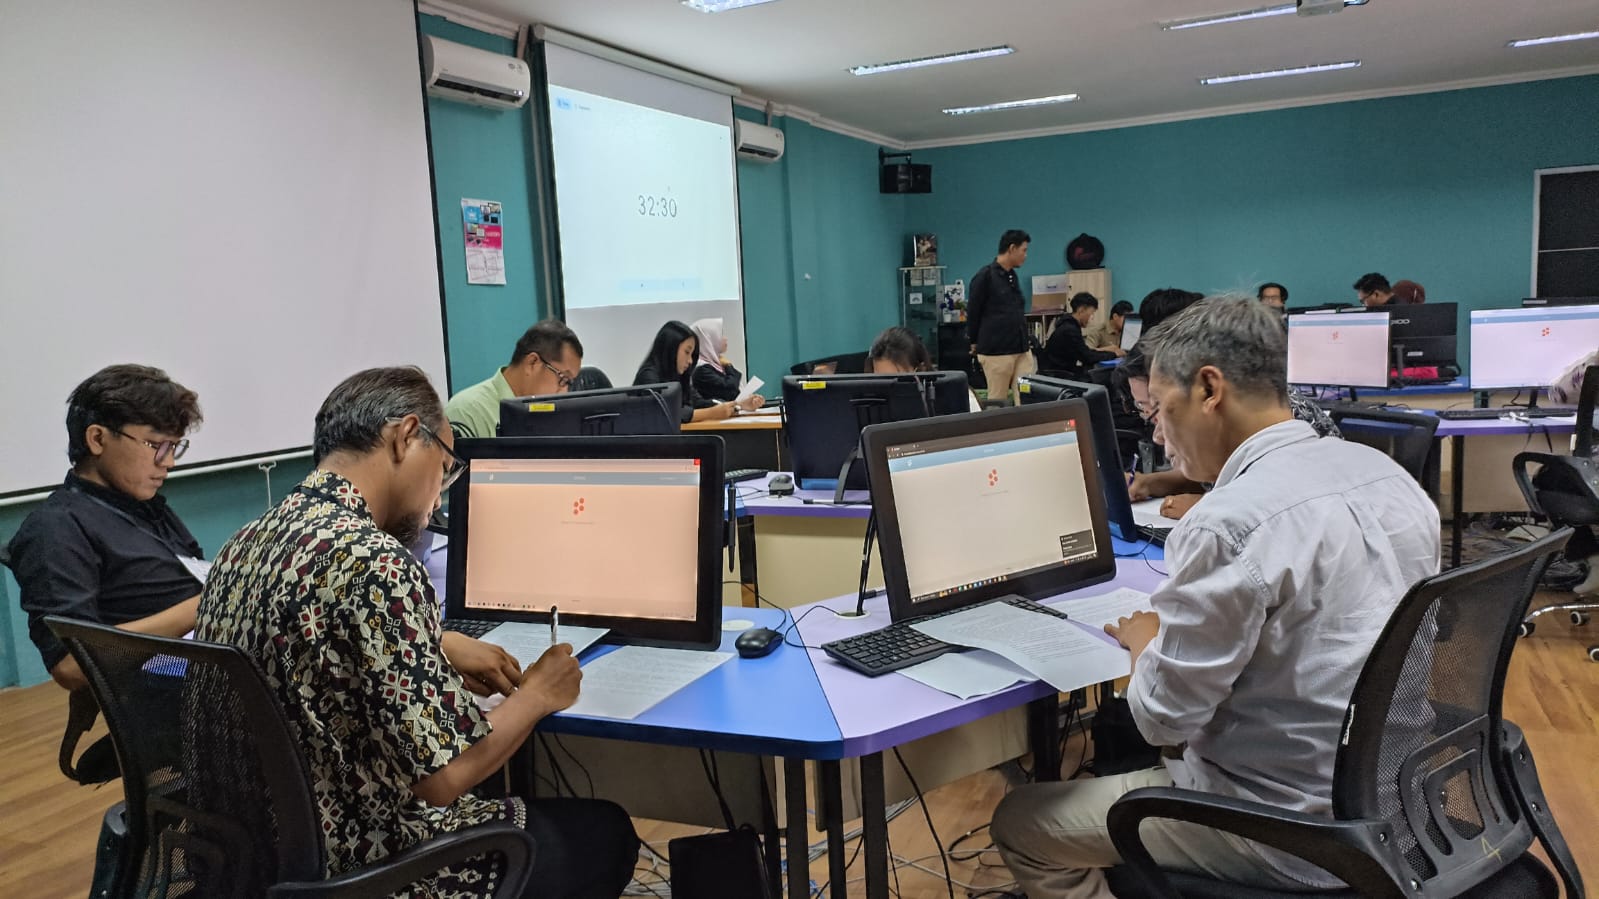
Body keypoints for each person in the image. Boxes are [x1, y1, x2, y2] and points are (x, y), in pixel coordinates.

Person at [992, 297, 1440, 897]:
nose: (1156, 432)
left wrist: (1146, 643)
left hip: (1284, 831)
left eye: (1159, 409)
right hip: (1398, 803)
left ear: (1208, 389)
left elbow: (1160, 720)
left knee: (1022, 822)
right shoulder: (1387, 477)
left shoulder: (1226, 523)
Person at [193, 367, 638, 897]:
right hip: (371, 863)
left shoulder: (244, 541)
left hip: (260, 856)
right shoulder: (378, 562)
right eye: (445, 468)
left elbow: (310, 646)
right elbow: (444, 779)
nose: (439, 498)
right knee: (604, 832)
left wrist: (434, 645)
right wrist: (541, 693)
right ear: (406, 436)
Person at [5, 364, 206, 692]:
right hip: (169, 692)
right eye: (156, 446)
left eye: (174, 448)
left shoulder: (144, 506)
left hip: (209, 656)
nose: (168, 462)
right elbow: (72, 666)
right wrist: (204, 606)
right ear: (97, 438)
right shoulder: (56, 528)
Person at [1122, 337, 1341, 521]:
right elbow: (1216, 474)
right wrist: (1149, 483)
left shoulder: (1273, 417)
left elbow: (1288, 506)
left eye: (1155, 405)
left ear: (1206, 390)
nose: (1157, 434)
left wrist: (1210, 508)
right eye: (1141, 407)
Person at [445, 319, 583, 439]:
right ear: (532, 363)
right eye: (563, 378)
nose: (564, 391)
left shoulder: (551, 415)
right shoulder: (466, 411)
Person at [634, 321, 763, 423]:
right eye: (686, 352)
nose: (690, 361)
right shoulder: (649, 376)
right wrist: (713, 413)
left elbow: (699, 402)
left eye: (692, 354)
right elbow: (667, 414)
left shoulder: (677, 376)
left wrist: (738, 405)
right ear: (670, 348)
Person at [967, 229, 1034, 405]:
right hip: (997, 351)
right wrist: (973, 341)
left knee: (1026, 396)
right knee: (998, 400)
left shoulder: (1013, 276)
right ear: (1012, 248)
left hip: (1021, 348)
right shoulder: (985, 276)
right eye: (1024, 250)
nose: (1025, 256)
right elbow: (973, 311)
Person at [867, 326, 983, 412]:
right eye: (879, 379)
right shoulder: (873, 407)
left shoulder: (959, 397)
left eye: (894, 379)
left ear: (920, 370)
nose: (886, 387)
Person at [1038, 293, 1122, 376]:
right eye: (1091, 313)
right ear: (1081, 310)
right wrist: (1114, 354)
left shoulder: (1068, 325)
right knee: (1103, 376)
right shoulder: (1070, 330)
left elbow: (1085, 351)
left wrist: (1109, 353)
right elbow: (1087, 357)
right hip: (1059, 374)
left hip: (1057, 370)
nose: (1092, 317)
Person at [690, 317, 744, 402]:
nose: (725, 338)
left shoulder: (714, 364)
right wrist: (729, 366)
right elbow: (730, 389)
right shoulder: (701, 370)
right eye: (721, 335)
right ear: (708, 338)